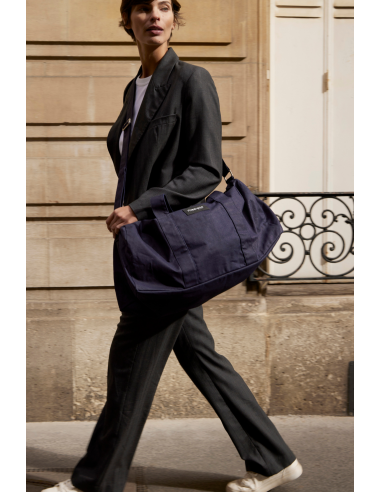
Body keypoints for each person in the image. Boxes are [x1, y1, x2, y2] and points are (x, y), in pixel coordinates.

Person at [42, 1, 303, 491]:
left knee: (130, 360)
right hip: (148, 250)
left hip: (170, 251)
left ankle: (95, 480)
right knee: (200, 355)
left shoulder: (192, 80)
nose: (155, 16)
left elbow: (206, 168)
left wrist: (139, 207)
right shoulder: (133, 88)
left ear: (175, 19)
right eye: (144, 7)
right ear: (128, 21)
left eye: (165, 6)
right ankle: (272, 458)